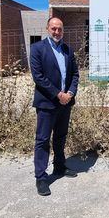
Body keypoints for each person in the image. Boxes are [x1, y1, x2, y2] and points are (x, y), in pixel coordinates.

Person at [30, 17, 79, 196]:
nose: (57, 32)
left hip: (65, 103)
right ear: (47, 29)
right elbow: (38, 77)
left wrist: (70, 94)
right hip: (47, 103)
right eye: (54, 28)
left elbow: (75, 75)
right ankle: (41, 177)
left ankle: (59, 166)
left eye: (60, 29)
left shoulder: (68, 50)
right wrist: (58, 94)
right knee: (43, 140)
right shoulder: (37, 49)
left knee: (60, 136)